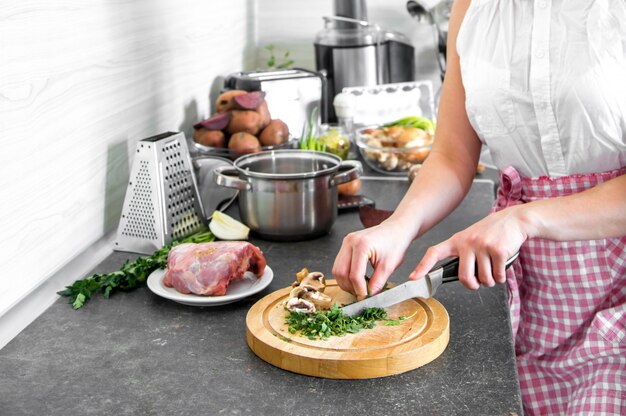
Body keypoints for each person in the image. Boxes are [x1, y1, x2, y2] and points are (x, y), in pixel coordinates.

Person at [332, 0, 626, 414]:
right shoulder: (471, 7)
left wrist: (526, 217)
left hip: (617, 289)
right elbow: (453, 154)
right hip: (524, 288)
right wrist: (397, 227)